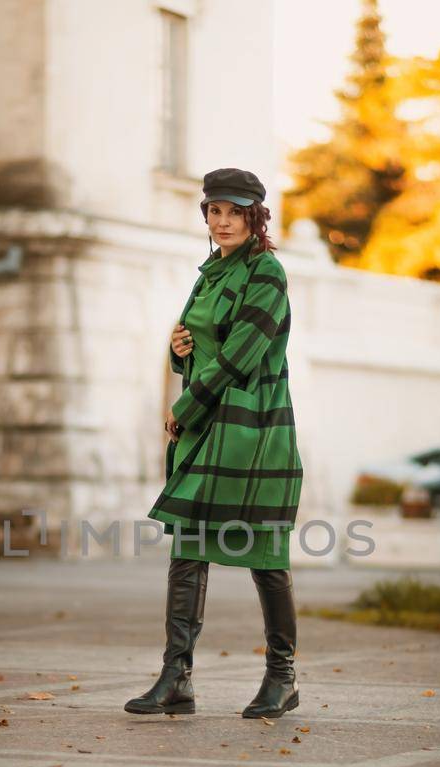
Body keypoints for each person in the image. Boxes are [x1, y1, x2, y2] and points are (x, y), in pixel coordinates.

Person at [124, 167, 303, 720]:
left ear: (255, 216)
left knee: (264, 555)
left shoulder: (266, 273)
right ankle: (176, 679)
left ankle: (283, 676)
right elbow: (201, 346)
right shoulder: (209, 275)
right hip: (207, 429)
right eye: (213, 211)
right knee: (188, 551)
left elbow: (242, 354)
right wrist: (178, 351)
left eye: (233, 211)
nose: (221, 221)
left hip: (252, 434)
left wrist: (183, 405)